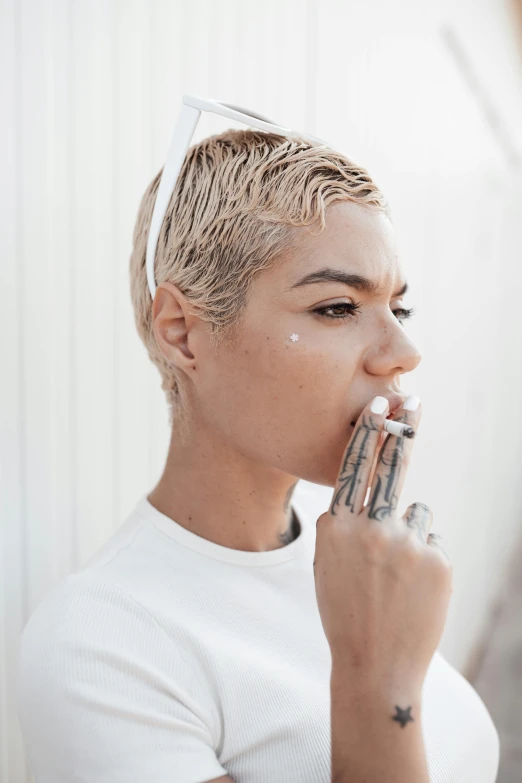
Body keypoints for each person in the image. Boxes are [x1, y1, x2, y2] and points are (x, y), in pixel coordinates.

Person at [16, 128, 500, 782]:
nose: (403, 351)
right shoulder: (99, 647)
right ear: (183, 333)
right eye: (337, 306)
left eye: (397, 305)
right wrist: (375, 673)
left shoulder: (357, 547)